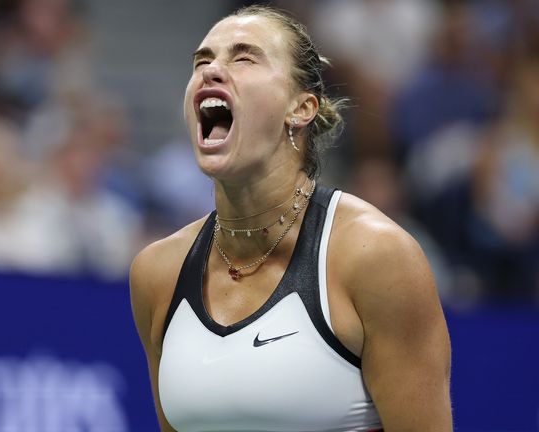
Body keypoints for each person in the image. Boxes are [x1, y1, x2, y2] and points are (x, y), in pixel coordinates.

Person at [130, 5, 452, 431]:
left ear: (301, 109)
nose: (211, 70)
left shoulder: (376, 257)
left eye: (243, 57)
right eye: (202, 61)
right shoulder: (158, 273)